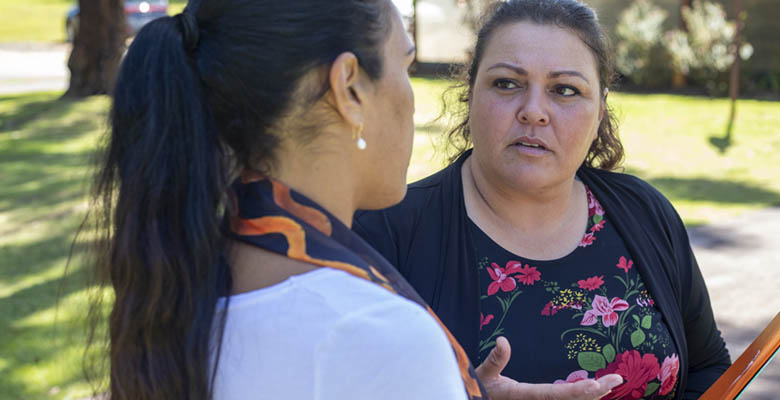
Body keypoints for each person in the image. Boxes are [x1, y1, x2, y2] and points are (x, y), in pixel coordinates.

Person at [87, 0, 493, 398]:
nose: (411, 96)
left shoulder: (176, 290)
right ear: (349, 88)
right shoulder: (379, 339)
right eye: (405, 65)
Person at [354, 0, 731, 399]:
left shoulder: (644, 212)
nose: (534, 112)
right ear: (471, 93)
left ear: (600, 110)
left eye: (564, 90)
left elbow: (708, 367)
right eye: (507, 83)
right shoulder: (382, 236)